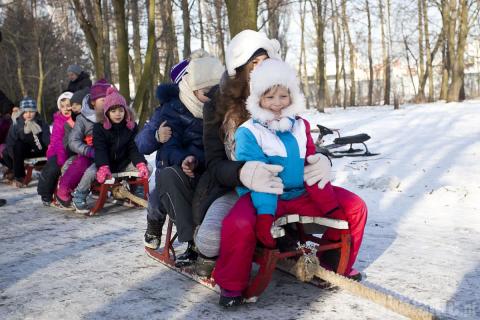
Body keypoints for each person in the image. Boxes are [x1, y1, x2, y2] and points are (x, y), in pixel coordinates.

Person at [212, 59, 368, 306]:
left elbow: (311, 168)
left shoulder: (300, 126)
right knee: (238, 223)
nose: (276, 104)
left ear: (291, 96)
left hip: (300, 194)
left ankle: (332, 263)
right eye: (269, 97)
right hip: (261, 196)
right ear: (258, 99)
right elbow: (263, 179)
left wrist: (327, 193)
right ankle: (230, 284)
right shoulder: (249, 132)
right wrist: (265, 217)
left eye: (283, 96)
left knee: (355, 206)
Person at [191, 30, 283, 278]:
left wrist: (320, 159)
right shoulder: (218, 105)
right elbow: (214, 162)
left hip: (276, 183)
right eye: (254, 63)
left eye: (266, 61)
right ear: (240, 67)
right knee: (210, 240)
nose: (261, 68)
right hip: (232, 186)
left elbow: (299, 140)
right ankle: (206, 250)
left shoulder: (280, 96)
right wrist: (242, 172)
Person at [150, 50, 224, 268]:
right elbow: (169, 146)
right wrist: (185, 158)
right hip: (188, 168)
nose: (213, 97)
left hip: (215, 168)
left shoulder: (223, 109)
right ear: (191, 90)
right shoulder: (173, 110)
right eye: (207, 92)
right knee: (169, 177)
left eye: (217, 91)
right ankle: (192, 241)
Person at [136, 60, 189, 249]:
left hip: (193, 167)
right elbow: (141, 142)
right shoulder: (166, 110)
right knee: (158, 199)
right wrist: (157, 136)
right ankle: (154, 226)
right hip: (168, 169)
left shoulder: (204, 107)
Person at [55, 79, 110, 210]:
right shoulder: (83, 118)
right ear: (93, 102)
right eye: (103, 100)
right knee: (82, 162)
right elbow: (73, 141)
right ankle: (64, 189)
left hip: (109, 151)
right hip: (89, 152)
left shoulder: (114, 113)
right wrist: (88, 149)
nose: (107, 102)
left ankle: (128, 189)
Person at [93, 87, 150, 190]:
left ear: (126, 111)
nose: (118, 114)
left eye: (121, 110)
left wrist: (140, 163)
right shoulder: (99, 127)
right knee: (90, 173)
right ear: (107, 113)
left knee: (147, 167)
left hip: (125, 163)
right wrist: (103, 166)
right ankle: (81, 193)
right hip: (107, 164)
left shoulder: (130, 127)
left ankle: (137, 189)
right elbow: (100, 149)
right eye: (113, 111)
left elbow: (134, 147)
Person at [0, 97, 50, 187]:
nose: (28, 114)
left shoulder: (41, 122)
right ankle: (19, 176)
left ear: (36, 112)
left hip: (39, 149)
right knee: (14, 146)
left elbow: (47, 139)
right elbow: (11, 142)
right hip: (23, 152)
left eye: (31, 111)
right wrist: (16, 158)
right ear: (22, 112)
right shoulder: (17, 124)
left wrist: (50, 148)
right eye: (26, 112)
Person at [37, 92, 74, 205]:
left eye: (69, 105)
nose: (66, 109)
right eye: (62, 106)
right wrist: (61, 158)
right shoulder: (59, 121)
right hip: (56, 151)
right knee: (53, 168)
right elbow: (57, 141)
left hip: (71, 150)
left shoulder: (78, 119)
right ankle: (45, 193)